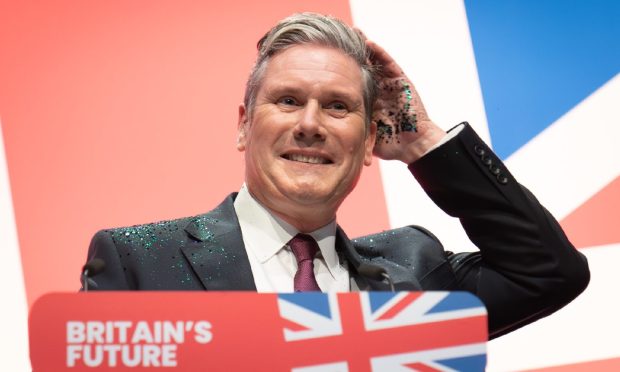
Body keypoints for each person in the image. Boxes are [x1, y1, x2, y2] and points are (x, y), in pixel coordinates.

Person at [82, 13, 589, 339]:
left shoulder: (411, 272)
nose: (309, 124)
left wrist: (421, 142)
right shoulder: (139, 264)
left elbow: (547, 273)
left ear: (368, 140)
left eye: (338, 107)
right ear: (243, 126)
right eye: (287, 101)